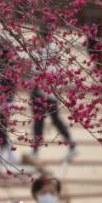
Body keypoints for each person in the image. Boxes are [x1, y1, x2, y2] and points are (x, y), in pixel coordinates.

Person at [30, 29, 77, 163]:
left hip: (44, 92)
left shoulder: (46, 52)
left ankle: (36, 151)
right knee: (48, 120)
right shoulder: (51, 51)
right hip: (48, 92)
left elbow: (40, 72)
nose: (36, 40)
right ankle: (71, 145)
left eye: (38, 37)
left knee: (42, 121)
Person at [0, 38, 19, 166]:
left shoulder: (2, 65)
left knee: (0, 128)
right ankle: (6, 153)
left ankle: (9, 154)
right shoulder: (9, 64)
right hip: (5, 101)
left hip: (4, 102)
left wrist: (0, 102)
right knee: (1, 128)